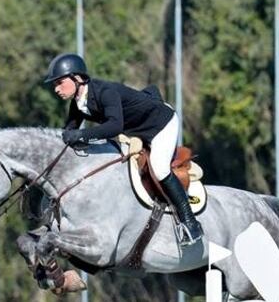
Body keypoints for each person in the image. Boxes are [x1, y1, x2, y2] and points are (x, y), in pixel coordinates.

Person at [44, 52, 203, 247]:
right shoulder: (78, 103)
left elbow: (115, 126)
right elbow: (69, 132)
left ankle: (190, 222)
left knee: (160, 168)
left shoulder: (105, 92)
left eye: (60, 82)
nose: (56, 89)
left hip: (160, 125)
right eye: (54, 85)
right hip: (136, 129)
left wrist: (82, 136)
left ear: (77, 78)